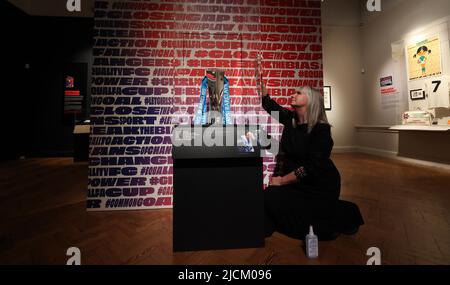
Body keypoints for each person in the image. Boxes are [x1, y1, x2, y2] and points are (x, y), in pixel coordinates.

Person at [260, 84, 364, 240]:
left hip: (317, 185)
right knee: (269, 197)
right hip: (294, 183)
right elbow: (271, 107)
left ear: (311, 100)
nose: (292, 95)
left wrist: (281, 181)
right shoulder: (290, 120)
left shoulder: (321, 130)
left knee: (303, 217)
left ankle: (341, 216)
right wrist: (264, 95)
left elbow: (311, 168)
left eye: (298, 93)